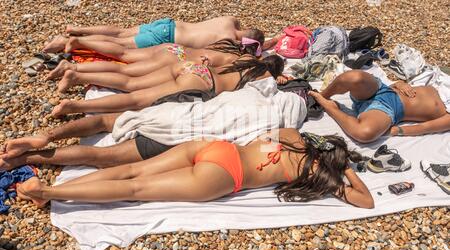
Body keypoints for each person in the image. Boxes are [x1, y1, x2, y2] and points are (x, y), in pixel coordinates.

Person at [17, 129, 375, 209]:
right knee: (135, 191)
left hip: (214, 147)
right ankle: (45, 193)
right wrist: (346, 172)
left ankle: (50, 187)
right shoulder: (315, 174)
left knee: (133, 173)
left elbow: (271, 135)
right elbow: (366, 202)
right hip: (222, 177)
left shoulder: (294, 137)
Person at [0, 77, 307, 170]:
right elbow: (264, 148)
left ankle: (46, 135)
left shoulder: (258, 91)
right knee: (104, 159)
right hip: (187, 134)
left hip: (182, 110)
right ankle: (25, 159)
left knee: (107, 121)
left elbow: (261, 82)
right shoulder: (282, 123)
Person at [50, 55, 286, 117]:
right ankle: (74, 106)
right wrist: (277, 81)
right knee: (137, 101)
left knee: (132, 83)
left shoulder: (246, 58)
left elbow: (212, 60)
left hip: (193, 68)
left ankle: (77, 76)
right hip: (204, 84)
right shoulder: (265, 77)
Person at [309, 70, 450, 143]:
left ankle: (330, 107)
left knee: (365, 134)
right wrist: (398, 83)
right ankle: (320, 96)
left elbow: (428, 127)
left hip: (389, 109)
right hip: (384, 90)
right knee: (353, 77)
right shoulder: (444, 81)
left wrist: (399, 131)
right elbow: (413, 85)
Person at [46, 38, 264, 83]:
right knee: (125, 72)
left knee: (123, 54)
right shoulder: (236, 61)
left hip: (175, 48)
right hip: (176, 59)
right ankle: (74, 70)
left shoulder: (226, 44)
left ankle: (79, 43)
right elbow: (207, 62)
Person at [43, 16, 265, 52]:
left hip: (167, 24)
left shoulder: (229, 21)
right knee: (120, 44)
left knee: (120, 32)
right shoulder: (227, 41)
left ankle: (77, 30)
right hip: (166, 38)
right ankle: (74, 41)